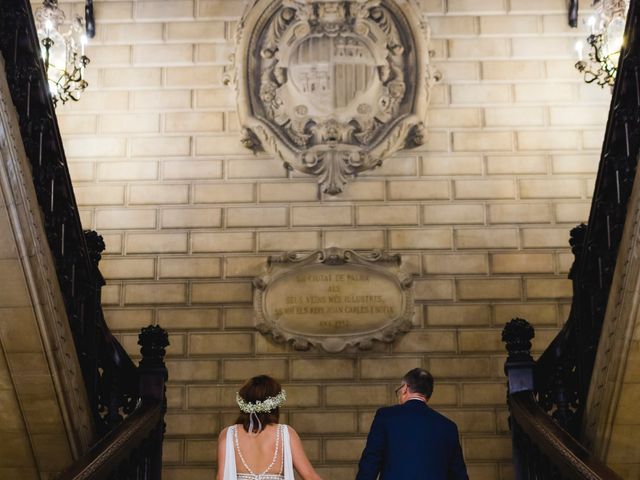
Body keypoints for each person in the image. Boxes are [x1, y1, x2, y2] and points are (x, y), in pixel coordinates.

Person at [356, 368, 469, 480]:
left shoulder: (386, 416)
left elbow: (370, 462)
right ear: (428, 395)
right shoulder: (448, 427)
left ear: (405, 388)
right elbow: (458, 474)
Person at [217, 375, 323, 480]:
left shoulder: (228, 434)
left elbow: (221, 478)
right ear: (275, 403)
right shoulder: (285, 433)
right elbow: (310, 476)